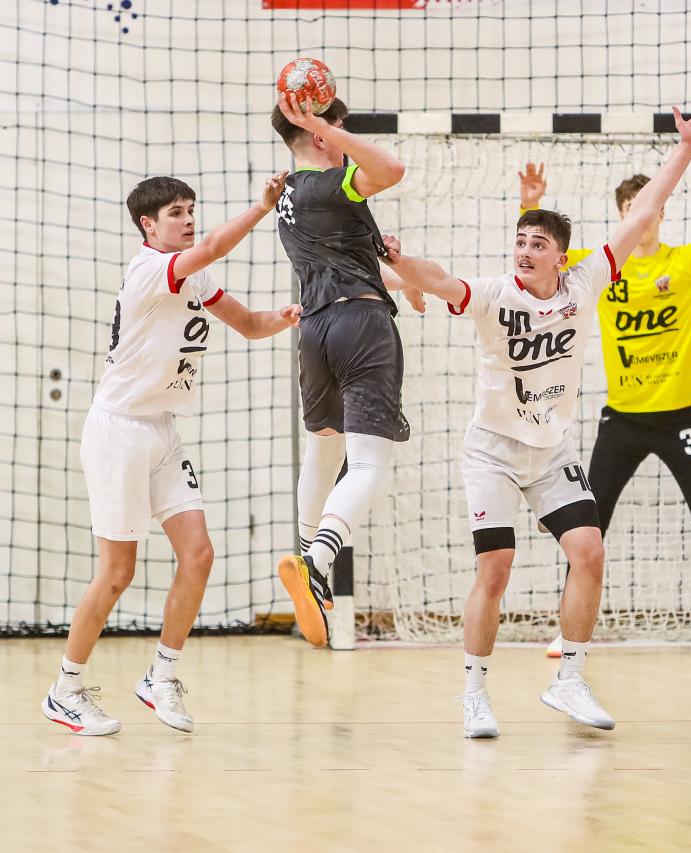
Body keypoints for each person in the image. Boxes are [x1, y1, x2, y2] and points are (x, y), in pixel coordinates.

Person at [382, 95, 691, 738]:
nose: (524, 250)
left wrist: (686, 148)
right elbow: (440, 278)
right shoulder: (494, 295)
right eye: (519, 241)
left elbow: (643, 212)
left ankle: (569, 679)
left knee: (588, 552)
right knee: (496, 568)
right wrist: (400, 264)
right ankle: (474, 693)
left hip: (551, 452)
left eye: (537, 244)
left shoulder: (586, 283)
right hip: (491, 451)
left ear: (560, 257)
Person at [42, 172, 299, 735]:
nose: (187, 219)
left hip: (162, 429)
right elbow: (212, 246)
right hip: (118, 432)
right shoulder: (150, 270)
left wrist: (287, 317)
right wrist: (262, 208)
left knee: (199, 554)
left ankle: (160, 677)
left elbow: (249, 325)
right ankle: (65, 689)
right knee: (118, 572)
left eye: (190, 209)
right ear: (148, 225)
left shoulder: (193, 276)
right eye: (175, 213)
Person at [518, 161, 691, 657]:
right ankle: (569, 630)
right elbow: (544, 263)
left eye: (649, 206)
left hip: (683, 417)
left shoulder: (688, 262)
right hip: (623, 420)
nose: (641, 215)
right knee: (588, 525)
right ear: (623, 216)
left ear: (661, 212)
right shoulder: (600, 267)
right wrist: (531, 205)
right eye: (630, 208)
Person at [269, 92, 423, 649]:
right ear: (319, 136)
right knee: (369, 464)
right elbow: (392, 169)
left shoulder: (287, 195)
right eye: (337, 133)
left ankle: (307, 557)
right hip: (360, 326)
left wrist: (404, 276)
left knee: (324, 450)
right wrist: (326, 127)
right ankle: (318, 560)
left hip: (315, 332)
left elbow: (354, 256)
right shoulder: (327, 184)